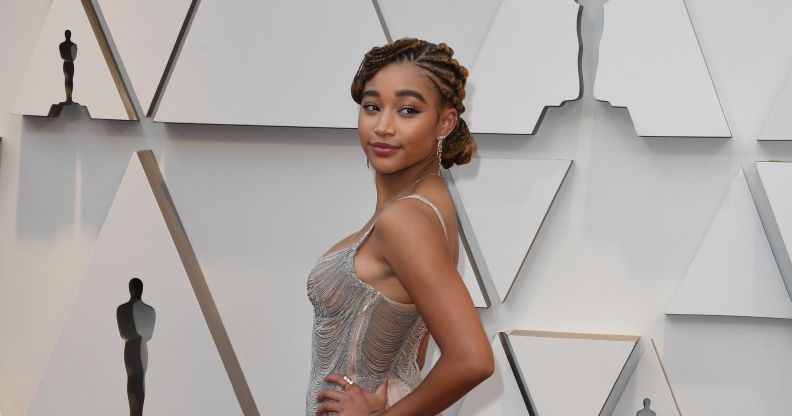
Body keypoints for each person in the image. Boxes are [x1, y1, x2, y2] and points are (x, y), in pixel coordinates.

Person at [306, 38, 494, 416]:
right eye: (372, 107)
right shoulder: (428, 205)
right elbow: (415, 340)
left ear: (444, 122)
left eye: (408, 110)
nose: (384, 126)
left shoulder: (405, 219)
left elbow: (473, 359)